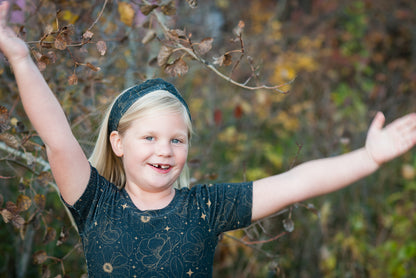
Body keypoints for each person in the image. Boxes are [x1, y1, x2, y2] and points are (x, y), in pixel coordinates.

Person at [1, 1, 416, 277]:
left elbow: (295, 183)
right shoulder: (95, 202)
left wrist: (368, 157)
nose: (164, 150)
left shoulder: (207, 208)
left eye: (177, 140)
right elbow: (57, 137)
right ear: (118, 143)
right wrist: (19, 55)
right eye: (149, 137)